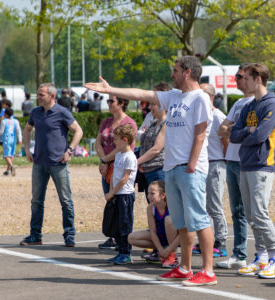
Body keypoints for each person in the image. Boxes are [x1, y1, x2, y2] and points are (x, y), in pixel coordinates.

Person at [86, 55, 217, 286]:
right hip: (172, 169)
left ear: (187, 72)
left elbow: (200, 134)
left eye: (175, 70)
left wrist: (192, 164)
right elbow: (142, 93)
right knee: (182, 223)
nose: (172, 74)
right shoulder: (175, 96)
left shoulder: (200, 98)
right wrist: (110, 89)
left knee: (198, 219)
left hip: (190, 170)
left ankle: (207, 271)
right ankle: (185, 267)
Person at [230, 63, 275, 279]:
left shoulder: (273, 104)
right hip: (246, 164)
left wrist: (248, 133)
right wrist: (248, 130)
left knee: (260, 213)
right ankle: (261, 256)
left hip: (263, 165)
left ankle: (274, 256)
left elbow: (261, 135)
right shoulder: (249, 106)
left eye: (247, 78)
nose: (243, 82)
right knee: (251, 215)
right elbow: (233, 136)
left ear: (258, 79)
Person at [21, 83, 83, 247]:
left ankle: (69, 234)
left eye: (41, 94)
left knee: (65, 200)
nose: (38, 97)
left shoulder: (62, 112)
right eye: (38, 94)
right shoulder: (36, 112)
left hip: (58, 163)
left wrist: (69, 151)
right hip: (39, 163)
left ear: (51, 96)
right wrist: (27, 149)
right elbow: (27, 130)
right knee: (36, 201)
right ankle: (35, 235)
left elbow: (79, 131)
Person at [216, 63, 254, 269]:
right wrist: (235, 128)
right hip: (231, 160)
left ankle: (262, 255)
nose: (237, 80)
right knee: (237, 210)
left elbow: (249, 130)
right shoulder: (238, 102)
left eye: (240, 76)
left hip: (246, 162)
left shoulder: (257, 102)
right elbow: (222, 129)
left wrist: (234, 129)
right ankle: (239, 254)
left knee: (253, 211)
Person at [95, 96, 137, 250]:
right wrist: (103, 161)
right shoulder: (106, 121)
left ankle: (123, 243)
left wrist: (106, 159)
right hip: (107, 167)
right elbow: (98, 142)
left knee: (122, 210)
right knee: (111, 204)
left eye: (111, 101)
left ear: (121, 103)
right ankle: (113, 237)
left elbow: (124, 148)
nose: (108, 104)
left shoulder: (129, 123)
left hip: (117, 166)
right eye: (108, 101)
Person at [200, 83, 229, 258]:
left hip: (216, 163)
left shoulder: (218, 116)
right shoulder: (202, 115)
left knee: (214, 204)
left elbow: (225, 141)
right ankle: (208, 239)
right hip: (204, 164)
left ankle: (221, 241)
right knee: (203, 205)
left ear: (210, 96)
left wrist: (223, 162)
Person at [105, 124, 137, 265]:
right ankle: (120, 250)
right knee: (116, 224)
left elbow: (125, 178)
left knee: (125, 224)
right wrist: (111, 190)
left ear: (125, 140)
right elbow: (113, 175)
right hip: (116, 194)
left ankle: (126, 253)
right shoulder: (118, 155)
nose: (114, 142)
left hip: (125, 195)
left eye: (116, 139)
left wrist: (113, 191)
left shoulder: (130, 157)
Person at [128, 180, 180, 268]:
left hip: (177, 239)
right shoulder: (150, 208)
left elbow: (183, 234)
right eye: (148, 193)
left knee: (169, 220)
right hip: (161, 236)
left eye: (152, 193)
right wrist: (160, 249)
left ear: (163, 195)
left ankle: (172, 256)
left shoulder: (173, 206)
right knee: (131, 238)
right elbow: (152, 231)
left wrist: (169, 250)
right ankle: (162, 253)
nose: (148, 196)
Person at [0, 108, 22, 176]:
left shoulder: (4, 121)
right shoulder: (16, 121)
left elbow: (1, 131)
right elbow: (18, 130)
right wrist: (20, 139)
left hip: (7, 139)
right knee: (11, 154)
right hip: (13, 140)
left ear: (6, 114)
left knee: (6, 155)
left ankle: (11, 166)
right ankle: (8, 170)